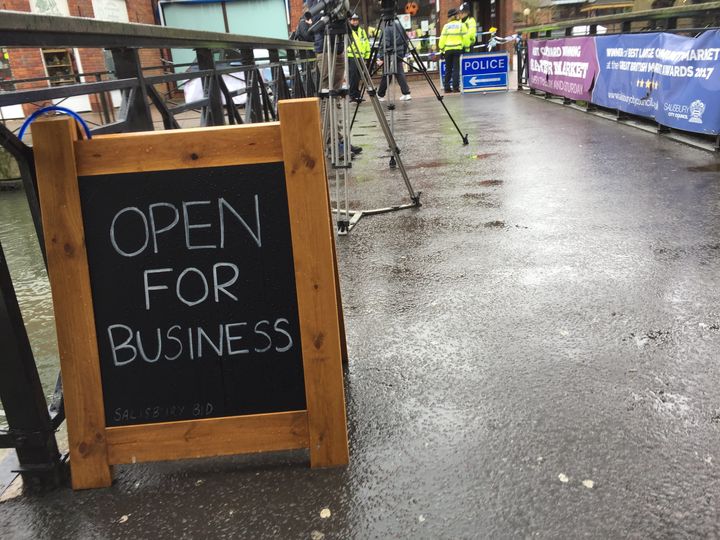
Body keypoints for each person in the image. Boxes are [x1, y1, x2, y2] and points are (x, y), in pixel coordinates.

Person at [376, 18, 412, 101]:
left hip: (389, 53)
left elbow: (384, 43)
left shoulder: (386, 27)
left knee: (387, 74)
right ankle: (406, 93)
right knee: (399, 73)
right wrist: (403, 53)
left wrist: (381, 57)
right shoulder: (399, 25)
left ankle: (380, 94)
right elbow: (406, 40)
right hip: (399, 53)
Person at [439, 8, 468, 93]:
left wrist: (441, 50)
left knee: (448, 69)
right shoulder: (461, 25)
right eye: (457, 14)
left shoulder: (446, 26)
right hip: (457, 49)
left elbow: (442, 39)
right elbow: (465, 38)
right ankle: (455, 87)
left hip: (448, 50)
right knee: (456, 69)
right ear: (455, 16)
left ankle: (447, 88)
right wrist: (466, 48)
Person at [347, 13, 371, 103]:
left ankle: (357, 94)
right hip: (351, 56)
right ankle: (353, 95)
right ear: (350, 20)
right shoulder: (348, 31)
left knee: (358, 77)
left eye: (356, 19)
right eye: (353, 20)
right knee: (353, 76)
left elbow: (366, 43)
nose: (355, 21)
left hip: (360, 56)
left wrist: (367, 57)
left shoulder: (361, 31)